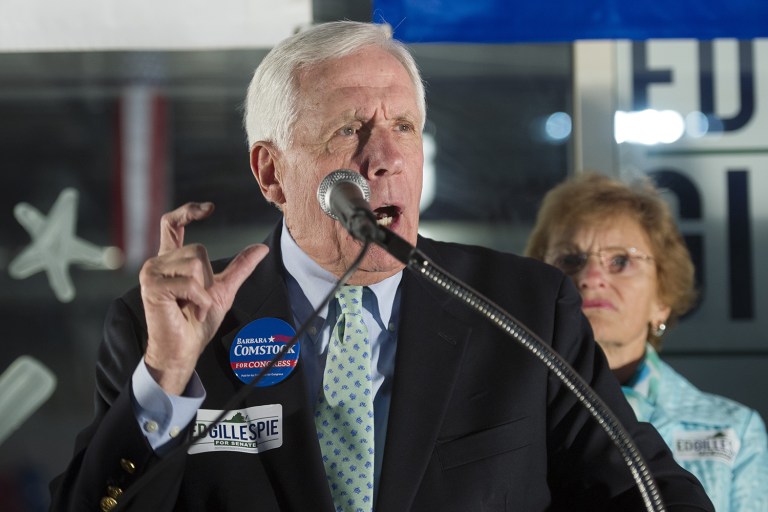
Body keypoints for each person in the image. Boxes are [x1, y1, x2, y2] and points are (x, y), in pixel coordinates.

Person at [50, 21, 714, 511]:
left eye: (402, 126)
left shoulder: (524, 307)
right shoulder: (166, 327)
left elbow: (648, 490)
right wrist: (166, 376)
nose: (384, 157)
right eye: (348, 130)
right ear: (272, 172)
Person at [525, 172, 768, 511]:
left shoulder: (733, 429)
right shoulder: (505, 414)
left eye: (620, 261)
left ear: (663, 297)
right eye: (570, 260)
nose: (590, 278)